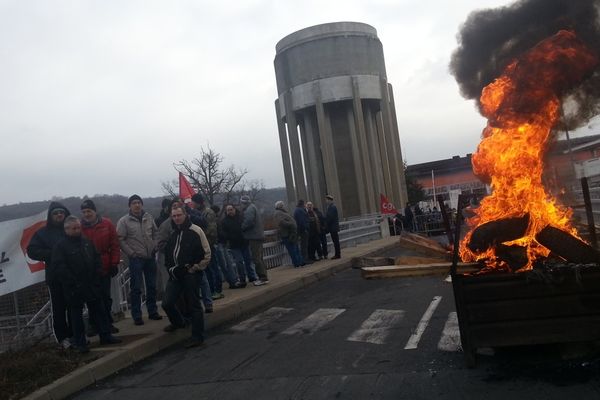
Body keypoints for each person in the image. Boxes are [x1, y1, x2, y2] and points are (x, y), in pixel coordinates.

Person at [52, 216, 121, 353]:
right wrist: (72, 282)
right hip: (74, 287)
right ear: (66, 229)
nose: (78, 230)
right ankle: (80, 343)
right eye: (74, 228)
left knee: (99, 310)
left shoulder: (86, 242)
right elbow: (60, 267)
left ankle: (105, 335)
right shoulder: (60, 246)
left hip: (91, 283)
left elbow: (96, 258)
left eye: (78, 227)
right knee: (76, 316)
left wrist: (97, 274)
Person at [162, 206, 211, 348]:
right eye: (174, 216)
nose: (177, 218)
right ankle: (179, 322)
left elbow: (206, 253)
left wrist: (195, 268)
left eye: (179, 215)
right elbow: (169, 256)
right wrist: (171, 270)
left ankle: (197, 336)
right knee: (167, 302)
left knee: (194, 304)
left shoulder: (196, 231)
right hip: (176, 274)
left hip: (191, 274)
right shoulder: (173, 234)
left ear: (185, 215)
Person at [27, 202, 73, 348]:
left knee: (75, 306)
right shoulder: (43, 233)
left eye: (61, 212)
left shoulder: (72, 229)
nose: (59, 215)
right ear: (50, 216)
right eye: (55, 213)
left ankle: (76, 334)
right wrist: (53, 254)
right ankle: (63, 338)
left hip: (73, 275)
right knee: (59, 308)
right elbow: (32, 251)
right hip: (55, 277)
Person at [158, 197, 213, 313]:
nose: (177, 217)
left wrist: (195, 266)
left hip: (193, 266)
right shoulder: (166, 226)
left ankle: (207, 305)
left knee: (199, 289)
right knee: (171, 300)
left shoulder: (193, 223)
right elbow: (161, 244)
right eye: (174, 211)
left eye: (179, 212)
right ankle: (183, 318)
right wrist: (171, 262)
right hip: (176, 269)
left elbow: (204, 224)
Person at [116, 194, 162, 325]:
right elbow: (120, 239)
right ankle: (137, 315)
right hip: (136, 258)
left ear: (142, 204)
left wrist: (155, 245)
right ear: (130, 206)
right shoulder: (124, 221)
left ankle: (153, 311)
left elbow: (156, 233)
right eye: (134, 203)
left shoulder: (148, 217)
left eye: (138, 202)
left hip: (150, 256)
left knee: (152, 286)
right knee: (136, 288)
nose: (137, 205)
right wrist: (131, 253)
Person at [79, 199, 120, 335]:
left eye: (89, 211)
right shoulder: (79, 227)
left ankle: (107, 322)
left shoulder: (107, 224)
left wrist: (114, 263)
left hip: (104, 264)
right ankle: (94, 324)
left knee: (105, 297)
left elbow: (114, 244)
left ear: (94, 211)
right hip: (87, 267)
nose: (86, 214)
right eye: (84, 212)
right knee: (92, 298)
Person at [190, 194, 225, 299]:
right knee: (207, 269)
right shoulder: (198, 213)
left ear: (198, 202)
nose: (192, 205)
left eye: (193, 202)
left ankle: (217, 290)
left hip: (208, 244)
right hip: (201, 245)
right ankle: (210, 290)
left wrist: (203, 239)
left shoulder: (208, 213)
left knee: (213, 268)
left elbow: (212, 230)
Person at [220, 204, 258, 286]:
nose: (230, 211)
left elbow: (247, 226)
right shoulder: (224, 221)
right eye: (228, 210)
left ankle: (252, 276)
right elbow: (223, 233)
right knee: (239, 262)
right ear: (226, 212)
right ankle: (242, 279)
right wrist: (229, 237)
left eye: (231, 209)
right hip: (234, 245)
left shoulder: (241, 217)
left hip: (244, 242)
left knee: (248, 261)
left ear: (234, 209)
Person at [240, 195, 269, 285]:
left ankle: (262, 278)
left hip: (254, 237)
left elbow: (249, 221)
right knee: (260, 258)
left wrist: (242, 227)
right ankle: (264, 276)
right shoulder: (253, 207)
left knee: (256, 258)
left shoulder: (249, 209)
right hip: (258, 236)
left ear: (243, 202)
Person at [274, 201, 303, 268]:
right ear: (280, 206)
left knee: (296, 248)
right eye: (282, 205)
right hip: (286, 234)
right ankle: (297, 263)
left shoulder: (283, 212)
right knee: (292, 249)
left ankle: (300, 262)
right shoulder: (278, 213)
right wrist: (291, 224)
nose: (284, 206)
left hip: (291, 233)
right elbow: (281, 222)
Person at [293, 199, 310, 264]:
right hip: (303, 231)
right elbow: (302, 221)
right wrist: (305, 229)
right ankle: (305, 260)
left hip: (300, 230)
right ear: (302, 204)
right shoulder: (300, 210)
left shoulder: (297, 210)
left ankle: (304, 259)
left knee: (303, 245)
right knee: (304, 245)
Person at [325, 195, 341, 259]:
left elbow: (330, 217)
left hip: (333, 227)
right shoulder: (331, 207)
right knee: (335, 241)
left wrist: (325, 223)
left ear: (330, 200)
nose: (326, 201)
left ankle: (337, 254)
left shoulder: (332, 207)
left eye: (326, 200)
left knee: (336, 241)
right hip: (333, 227)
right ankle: (337, 254)